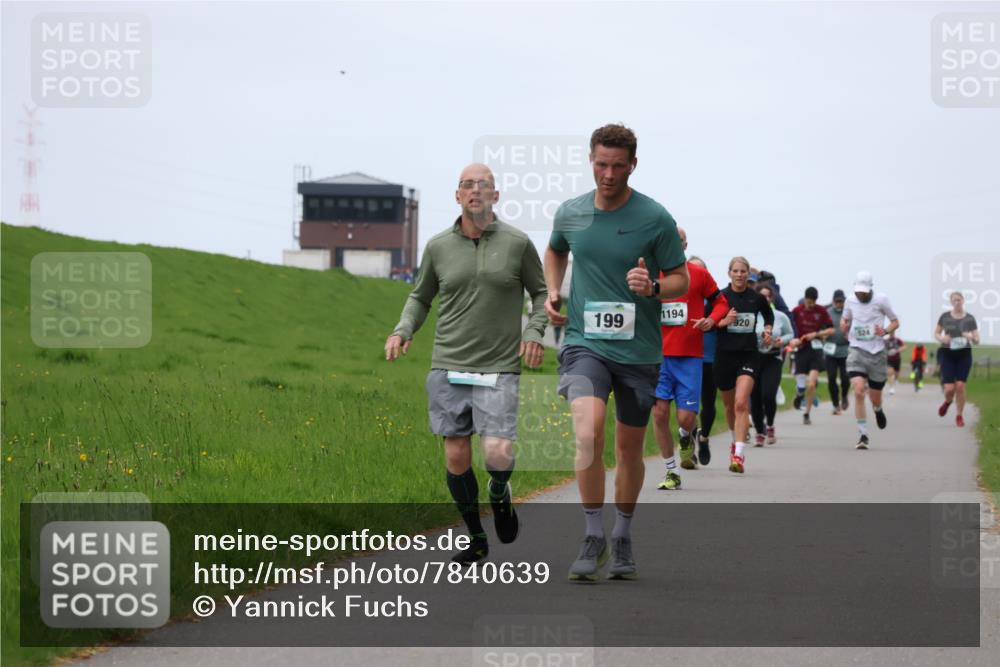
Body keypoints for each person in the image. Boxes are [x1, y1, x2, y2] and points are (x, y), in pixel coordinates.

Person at [545, 123, 688, 581]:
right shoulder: (571, 212)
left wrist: (654, 287)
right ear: (591, 159)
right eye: (601, 164)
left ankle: (622, 534)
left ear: (633, 165)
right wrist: (552, 290)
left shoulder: (655, 217)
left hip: (639, 351)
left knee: (628, 450)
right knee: (588, 433)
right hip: (585, 343)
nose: (608, 174)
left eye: (618, 166)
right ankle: (592, 534)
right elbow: (554, 252)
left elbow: (680, 280)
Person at [385, 164, 548, 565]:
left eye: (484, 185)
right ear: (457, 196)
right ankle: (476, 537)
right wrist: (403, 329)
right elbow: (420, 296)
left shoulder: (517, 243)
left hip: (498, 366)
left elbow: (541, 294)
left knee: (496, 453)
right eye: (467, 185)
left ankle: (500, 493)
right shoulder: (439, 246)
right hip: (448, 363)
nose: (476, 190)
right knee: (456, 457)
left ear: (496, 195)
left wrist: (534, 333)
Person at [651, 232, 729, 489]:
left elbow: (721, 303)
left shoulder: (698, 274)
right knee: (660, 413)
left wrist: (712, 320)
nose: (675, 243)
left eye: (680, 240)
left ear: (685, 245)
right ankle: (671, 471)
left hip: (690, 357)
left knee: (685, 418)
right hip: (658, 355)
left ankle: (686, 435)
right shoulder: (653, 273)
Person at [714, 257, 774, 473]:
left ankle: (739, 455)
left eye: (743, 271)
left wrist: (767, 330)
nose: (739, 275)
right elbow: (709, 323)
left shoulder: (756, 298)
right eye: (735, 271)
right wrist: (723, 322)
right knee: (730, 407)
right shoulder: (720, 296)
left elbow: (768, 316)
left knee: (741, 403)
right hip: (724, 356)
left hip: (748, 355)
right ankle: (734, 440)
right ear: (729, 273)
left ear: (748, 274)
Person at [841, 270, 900, 450]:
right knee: (858, 391)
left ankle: (878, 409)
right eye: (859, 291)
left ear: (870, 288)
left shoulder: (881, 300)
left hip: (877, 352)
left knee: (875, 396)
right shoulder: (850, 300)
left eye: (864, 291)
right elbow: (845, 318)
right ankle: (863, 434)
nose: (861, 294)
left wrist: (886, 331)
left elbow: (895, 321)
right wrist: (844, 325)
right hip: (857, 350)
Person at [751, 284, 794, 445]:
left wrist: (782, 341)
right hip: (754, 359)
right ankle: (759, 432)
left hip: (773, 359)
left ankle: (769, 424)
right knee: (754, 397)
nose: (765, 299)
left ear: (772, 298)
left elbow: (790, 333)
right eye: (762, 296)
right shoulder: (752, 314)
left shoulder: (780, 316)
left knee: (768, 395)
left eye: (768, 296)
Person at [934, 291, 980, 427]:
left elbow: (977, 340)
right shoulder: (945, 316)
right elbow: (936, 333)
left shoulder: (970, 318)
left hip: (964, 355)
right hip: (947, 354)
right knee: (949, 389)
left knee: (960, 386)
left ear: (963, 301)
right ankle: (948, 402)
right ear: (951, 302)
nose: (957, 302)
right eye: (954, 300)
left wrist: (970, 337)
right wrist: (942, 338)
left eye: (959, 300)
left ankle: (959, 415)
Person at [790, 287, 835, 425]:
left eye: (813, 302)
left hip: (815, 350)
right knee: (802, 384)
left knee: (811, 384)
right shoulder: (797, 311)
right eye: (808, 302)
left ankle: (806, 413)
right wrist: (794, 339)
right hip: (801, 349)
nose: (810, 305)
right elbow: (790, 327)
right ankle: (799, 394)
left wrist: (816, 334)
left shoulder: (821, 311)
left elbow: (832, 329)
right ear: (805, 299)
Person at [690, 257, 718, 466]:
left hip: (711, 358)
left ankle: (704, 437)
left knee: (708, 404)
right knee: (688, 406)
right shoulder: (680, 297)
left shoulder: (714, 300)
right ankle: (689, 443)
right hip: (688, 357)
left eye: (701, 271)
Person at [825, 289, 851, 414]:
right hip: (830, 350)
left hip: (845, 350)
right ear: (833, 301)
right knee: (831, 378)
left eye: (842, 301)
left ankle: (844, 396)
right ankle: (835, 404)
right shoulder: (827, 312)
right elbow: (822, 328)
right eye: (837, 301)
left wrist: (850, 335)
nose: (840, 304)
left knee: (845, 378)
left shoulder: (849, 313)